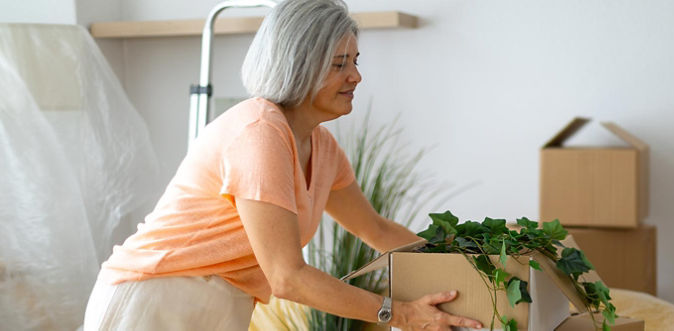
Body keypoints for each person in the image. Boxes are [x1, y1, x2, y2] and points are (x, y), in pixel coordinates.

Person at [82, 0, 483, 330]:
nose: (356, 76)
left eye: (355, 61)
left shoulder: (321, 148)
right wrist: (401, 313)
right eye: (339, 64)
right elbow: (288, 277)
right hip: (155, 302)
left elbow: (375, 229)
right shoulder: (259, 132)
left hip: (222, 307)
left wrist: (471, 265)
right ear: (299, 65)